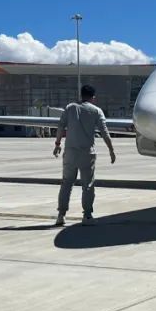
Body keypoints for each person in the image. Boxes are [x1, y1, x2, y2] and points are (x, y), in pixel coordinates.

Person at [54, 84, 115, 226]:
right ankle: (87, 215)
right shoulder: (96, 111)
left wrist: (57, 144)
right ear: (93, 97)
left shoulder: (70, 108)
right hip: (87, 154)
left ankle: (61, 215)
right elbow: (104, 132)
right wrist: (111, 150)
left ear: (81, 95)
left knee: (66, 183)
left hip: (70, 152)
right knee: (87, 185)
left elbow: (60, 127)